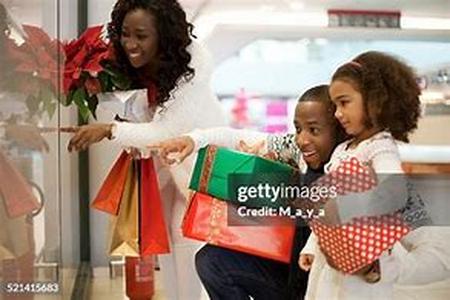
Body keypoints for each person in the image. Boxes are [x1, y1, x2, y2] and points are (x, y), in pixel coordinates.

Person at [63, 1, 226, 299]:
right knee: (166, 249)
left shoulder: (190, 73)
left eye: (141, 35)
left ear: (162, 36)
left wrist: (109, 131)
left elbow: (165, 131)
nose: (130, 44)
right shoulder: (134, 67)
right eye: (125, 34)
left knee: (187, 249)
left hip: (198, 174)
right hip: (163, 170)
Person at [151, 85, 347, 300]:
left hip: (325, 285)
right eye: (298, 129)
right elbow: (235, 137)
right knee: (211, 259)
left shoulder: (348, 165)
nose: (302, 139)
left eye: (314, 130)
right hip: (291, 276)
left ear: (340, 129)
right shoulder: (296, 149)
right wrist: (191, 141)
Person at [299, 51, 450, 300]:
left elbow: (394, 192)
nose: (337, 113)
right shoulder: (341, 151)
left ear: (374, 101)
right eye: (335, 105)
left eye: (344, 103)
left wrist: (345, 207)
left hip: (365, 256)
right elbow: (324, 210)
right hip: (331, 258)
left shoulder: (380, 147)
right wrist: (312, 246)